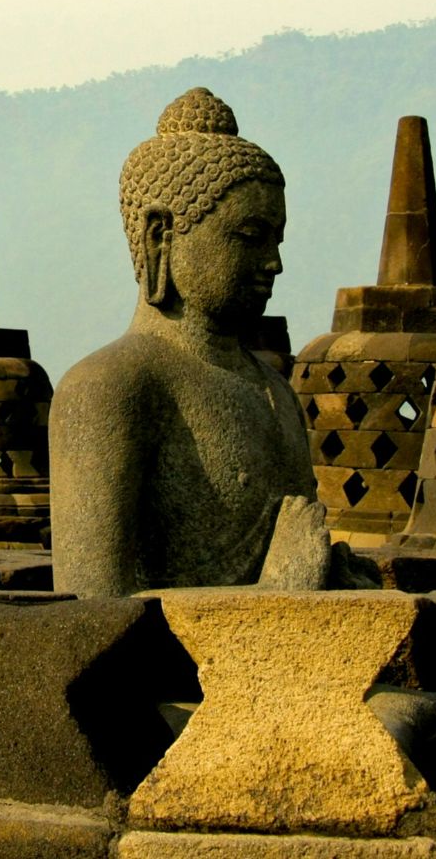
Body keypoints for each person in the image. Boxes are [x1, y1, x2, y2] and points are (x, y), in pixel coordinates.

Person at [51, 88, 328, 597]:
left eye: (277, 239)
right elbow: (88, 615)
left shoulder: (275, 392)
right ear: (161, 235)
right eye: (250, 235)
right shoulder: (108, 389)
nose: (274, 262)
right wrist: (281, 591)